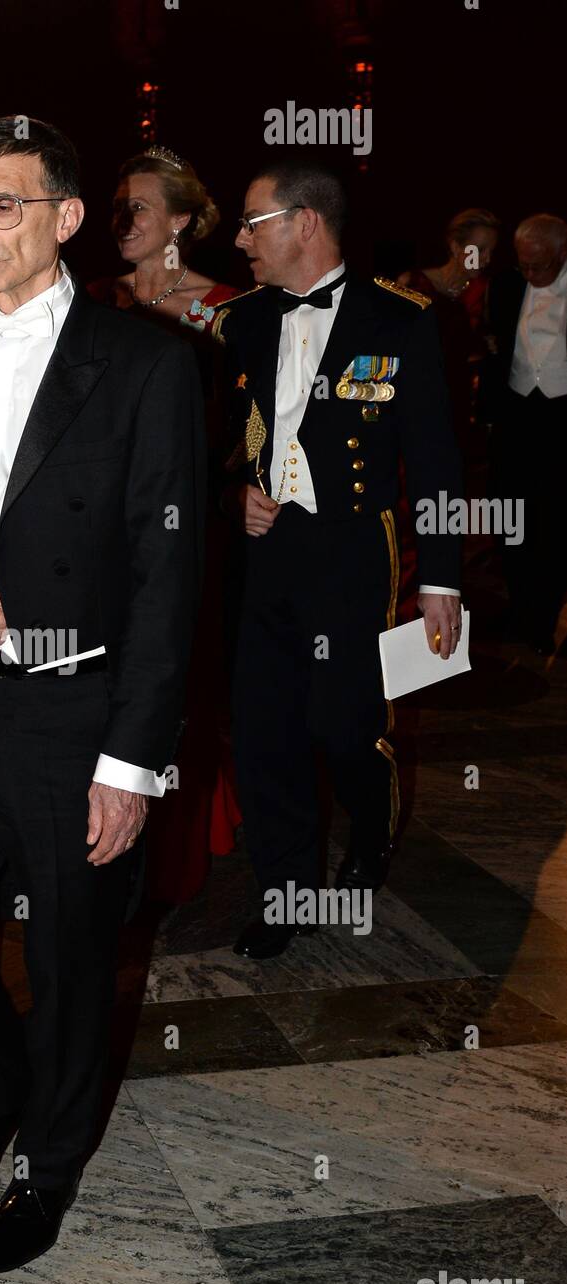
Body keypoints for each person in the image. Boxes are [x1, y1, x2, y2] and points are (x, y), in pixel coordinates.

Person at [0, 116, 204, 1272]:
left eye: (1, 206)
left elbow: (171, 580)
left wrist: (132, 761)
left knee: (70, 962)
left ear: (66, 218)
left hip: (76, 710)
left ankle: (45, 1163)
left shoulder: (150, 364)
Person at [218, 158, 464, 960]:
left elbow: (433, 459)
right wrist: (235, 495)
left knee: (346, 723)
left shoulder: (399, 320)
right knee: (265, 729)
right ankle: (283, 890)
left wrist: (440, 580)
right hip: (265, 550)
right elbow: (220, 444)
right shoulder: (242, 321)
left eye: (253, 222)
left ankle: (369, 835)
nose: (240, 239)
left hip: (357, 548)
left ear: (304, 224)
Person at [88, 145, 241, 903]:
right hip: (96, 536)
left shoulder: (228, 308)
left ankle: (180, 857)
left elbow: (259, 427)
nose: (122, 220)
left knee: (177, 677)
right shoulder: (89, 299)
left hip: (192, 527)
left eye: (138, 207)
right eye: (116, 206)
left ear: (181, 219)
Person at [482, 213, 567, 655]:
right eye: (524, 264)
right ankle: (521, 612)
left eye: (540, 266)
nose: (530, 274)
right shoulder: (507, 286)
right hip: (518, 417)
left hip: (561, 417)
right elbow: (494, 351)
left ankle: (549, 617)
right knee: (512, 516)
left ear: (562, 253)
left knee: (556, 522)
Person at [398, 208, 500, 451]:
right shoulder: (412, 284)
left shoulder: (487, 292)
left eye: (491, 251)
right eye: (480, 250)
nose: (487, 259)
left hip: (458, 404)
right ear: (456, 247)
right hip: (414, 403)